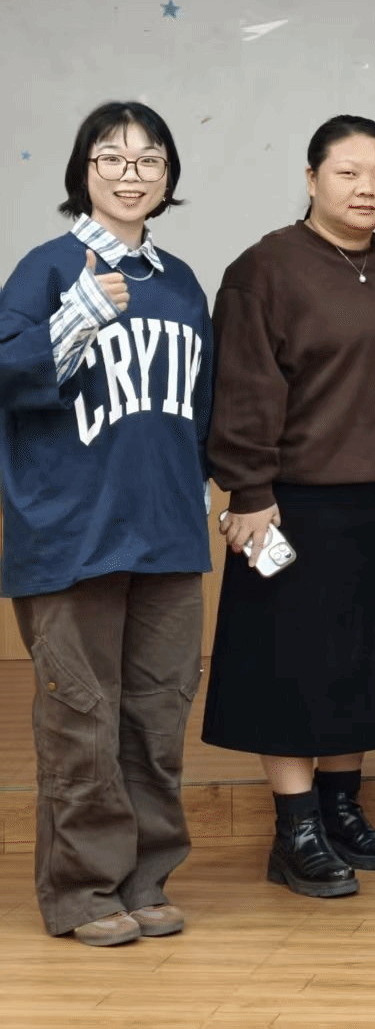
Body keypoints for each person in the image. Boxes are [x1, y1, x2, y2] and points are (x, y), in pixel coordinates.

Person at [0, 103, 212, 947]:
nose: (132, 172)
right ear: (83, 170)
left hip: (167, 532)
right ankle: (83, 890)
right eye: (113, 157)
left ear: (168, 176)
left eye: (149, 158)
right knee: (81, 722)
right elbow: (5, 373)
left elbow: (197, 404)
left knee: (156, 719)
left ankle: (144, 877)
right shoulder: (46, 269)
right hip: (71, 534)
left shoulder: (183, 281)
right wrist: (79, 313)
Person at [201, 115, 375, 898]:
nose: (368, 188)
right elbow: (241, 386)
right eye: (348, 172)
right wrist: (249, 491)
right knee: (289, 668)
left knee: (363, 660)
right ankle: (294, 828)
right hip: (289, 503)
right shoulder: (263, 268)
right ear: (310, 179)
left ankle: (340, 809)